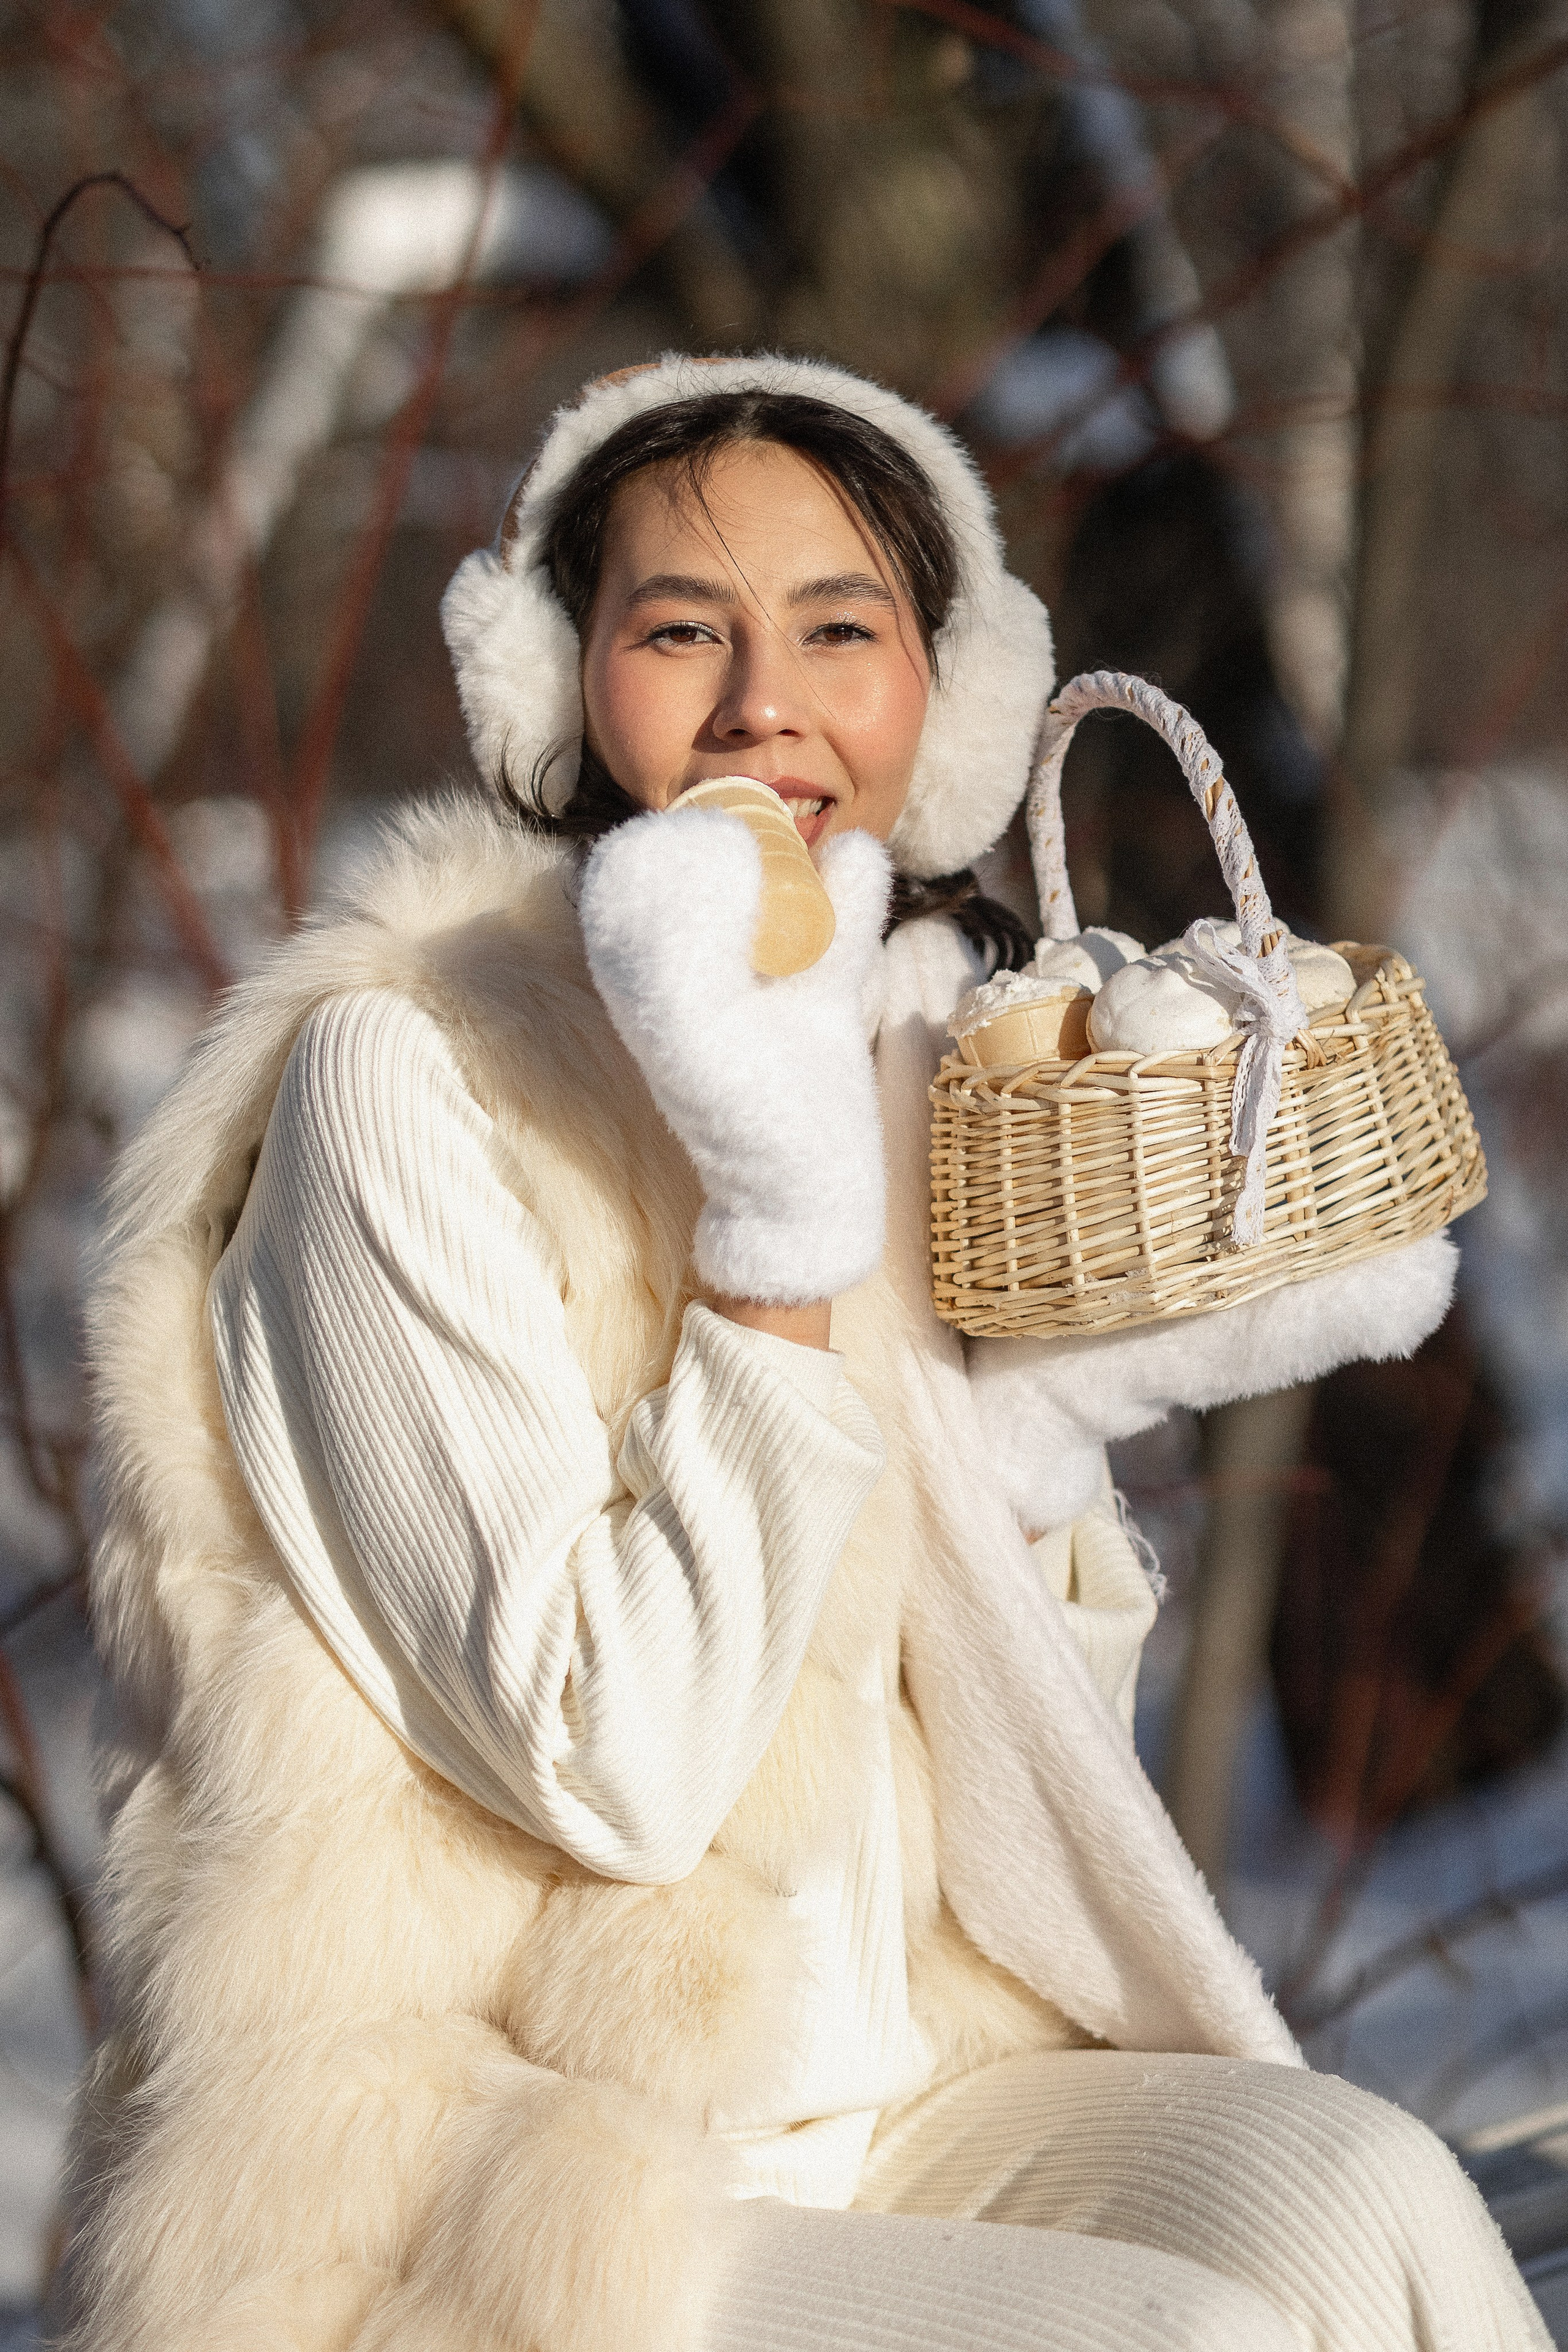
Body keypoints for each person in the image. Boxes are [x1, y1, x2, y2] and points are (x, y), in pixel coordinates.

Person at [61, 354, 1547, 2352]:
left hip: (888, 2093)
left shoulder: (905, 1052)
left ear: (947, 693)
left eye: (840, 629)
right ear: (559, 683)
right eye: (682, 629)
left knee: (1374, 2200)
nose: (766, 701)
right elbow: (620, 1769)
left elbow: (1006, 1803)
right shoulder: (404, 1083)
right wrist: (770, 1239)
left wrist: (1034, 1453)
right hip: (500, 2184)